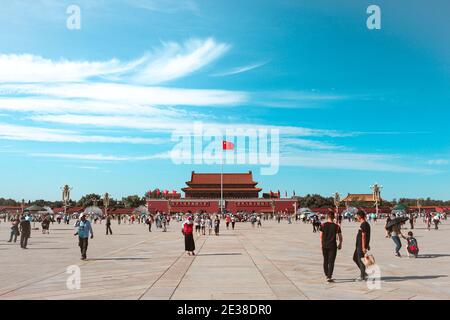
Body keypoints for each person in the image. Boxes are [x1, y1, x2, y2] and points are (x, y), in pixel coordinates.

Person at [320, 212, 343, 283]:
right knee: (331, 262)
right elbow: (340, 237)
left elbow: (321, 236)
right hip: (333, 246)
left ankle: (327, 275)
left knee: (325, 260)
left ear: (327, 217)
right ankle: (329, 276)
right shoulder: (337, 226)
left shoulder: (323, 225)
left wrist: (321, 245)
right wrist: (340, 244)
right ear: (334, 217)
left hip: (324, 245)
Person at [353, 210, 370, 281]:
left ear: (360, 216)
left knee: (361, 260)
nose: (356, 217)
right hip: (359, 245)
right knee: (355, 258)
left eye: (357, 215)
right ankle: (364, 273)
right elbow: (367, 235)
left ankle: (362, 276)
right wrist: (367, 244)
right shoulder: (365, 224)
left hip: (361, 245)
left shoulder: (364, 224)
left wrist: (364, 247)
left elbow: (364, 236)